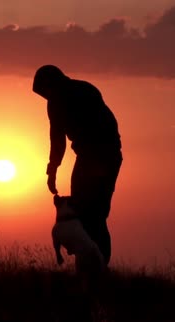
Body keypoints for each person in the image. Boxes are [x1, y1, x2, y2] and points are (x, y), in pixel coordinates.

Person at [32, 65, 122, 266]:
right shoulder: (60, 99)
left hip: (102, 156)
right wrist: (52, 169)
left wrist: (54, 169)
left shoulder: (83, 92)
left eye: (44, 92)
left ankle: (97, 267)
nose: (45, 98)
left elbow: (105, 124)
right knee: (84, 213)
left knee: (94, 214)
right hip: (91, 157)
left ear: (52, 84)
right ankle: (89, 268)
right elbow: (57, 139)